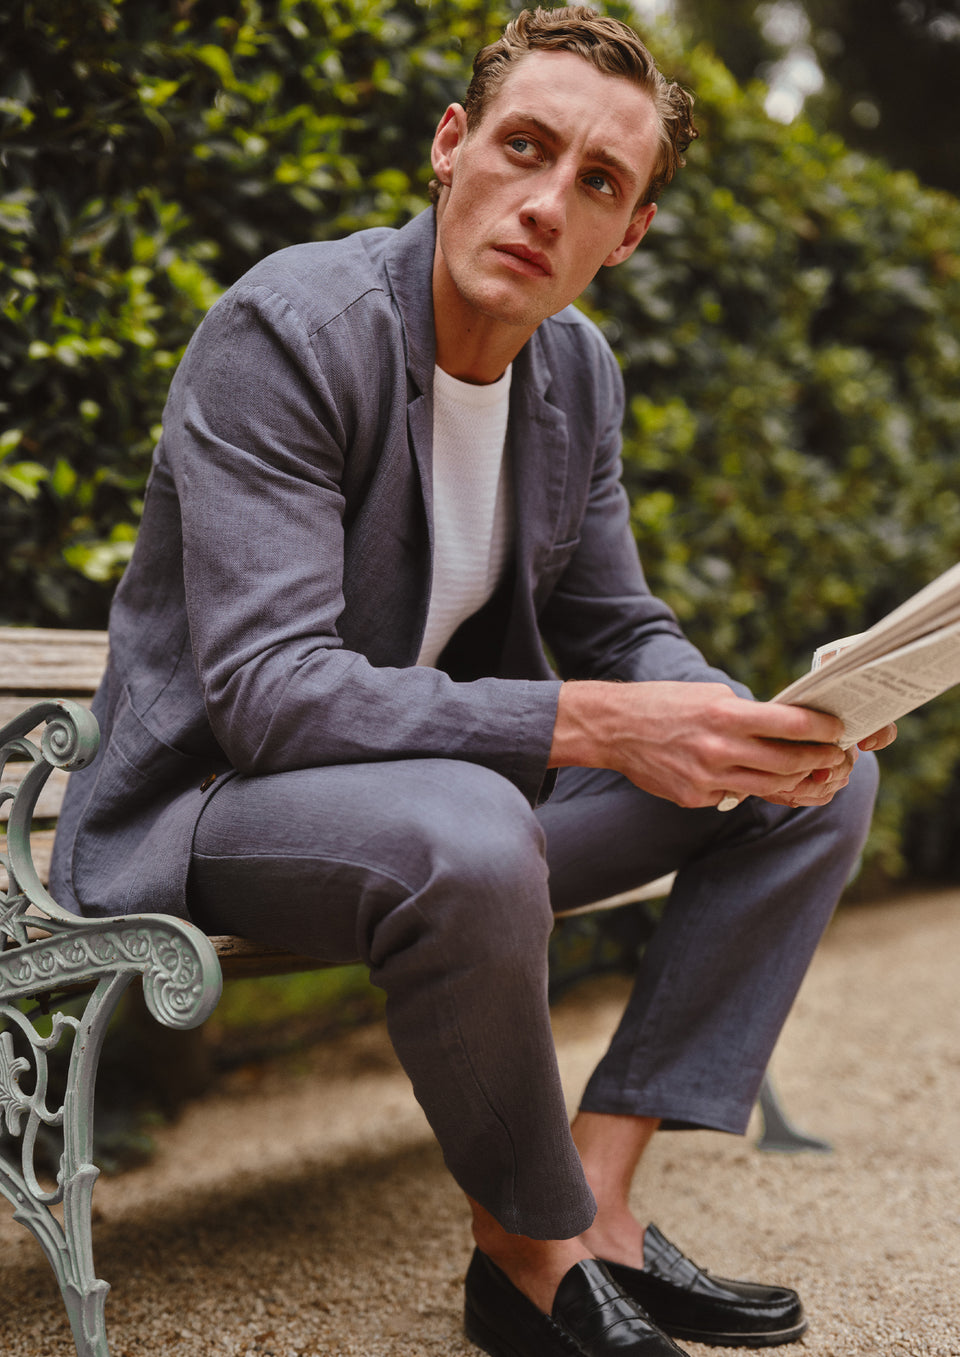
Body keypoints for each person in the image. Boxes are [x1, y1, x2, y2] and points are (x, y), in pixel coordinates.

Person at [51, 7, 897, 1356]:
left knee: (812, 788)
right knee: (474, 825)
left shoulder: (576, 374)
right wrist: (601, 725)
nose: (546, 202)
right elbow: (272, 691)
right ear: (451, 147)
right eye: (524, 147)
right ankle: (525, 1250)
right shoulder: (289, 331)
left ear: (629, 238)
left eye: (600, 185)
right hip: (222, 806)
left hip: (451, 816)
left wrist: (751, 721)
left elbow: (620, 628)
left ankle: (600, 1211)